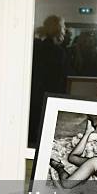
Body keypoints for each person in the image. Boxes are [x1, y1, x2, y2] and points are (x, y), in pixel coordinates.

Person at [28, 15, 70, 146]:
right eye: (63, 27)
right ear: (58, 30)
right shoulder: (57, 52)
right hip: (49, 96)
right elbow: (59, 78)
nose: (65, 30)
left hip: (34, 94)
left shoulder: (36, 47)